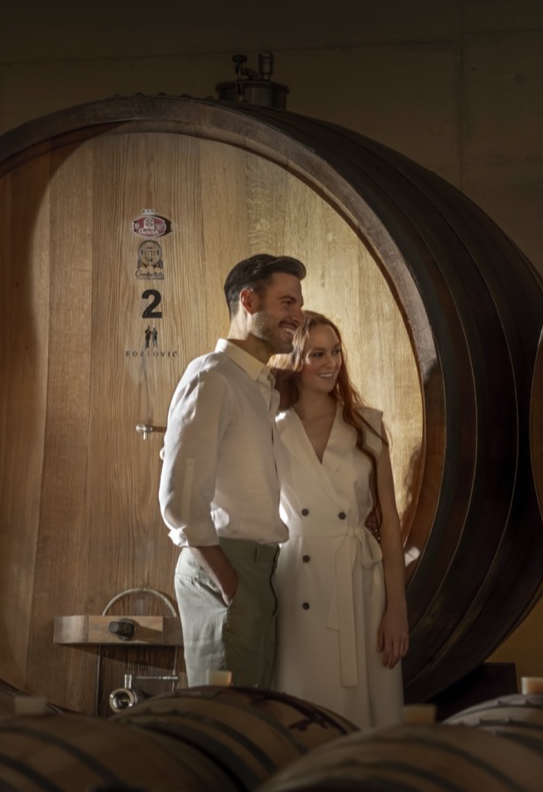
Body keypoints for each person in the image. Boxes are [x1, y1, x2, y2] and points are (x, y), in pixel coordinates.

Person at [160, 254, 307, 688]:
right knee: (224, 721)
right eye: (287, 303)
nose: (297, 316)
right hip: (225, 563)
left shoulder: (256, 384)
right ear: (248, 300)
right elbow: (180, 499)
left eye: (298, 305)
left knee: (252, 713)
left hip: (258, 568)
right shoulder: (212, 378)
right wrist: (230, 582)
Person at [267, 312, 407, 727]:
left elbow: (392, 522)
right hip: (294, 581)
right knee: (300, 702)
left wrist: (397, 608)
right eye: (317, 354)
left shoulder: (367, 424)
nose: (332, 362)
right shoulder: (272, 428)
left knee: (366, 711)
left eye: (336, 351)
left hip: (359, 585)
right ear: (295, 362)